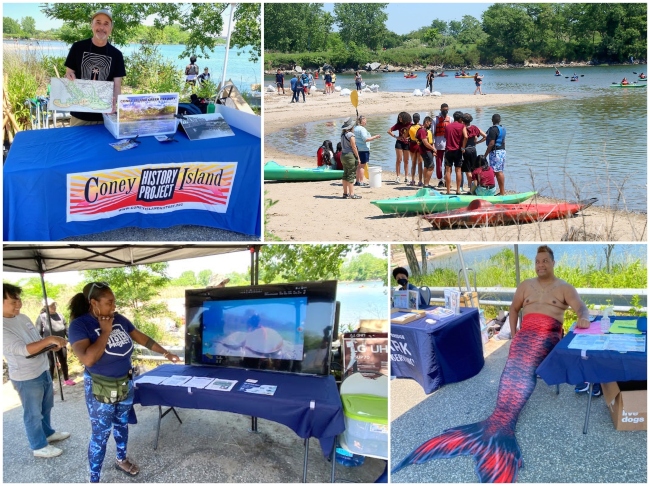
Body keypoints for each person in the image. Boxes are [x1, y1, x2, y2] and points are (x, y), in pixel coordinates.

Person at [393, 245, 591, 483]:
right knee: (515, 358)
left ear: (553, 262)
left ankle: (499, 428)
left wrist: (583, 317)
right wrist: (515, 332)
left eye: (545, 261)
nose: (541, 265)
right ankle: (498, 425)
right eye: (537, 261)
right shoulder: (525, 285)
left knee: (527, 360)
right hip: (526, 333)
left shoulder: (564, 288)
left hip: (547, 334)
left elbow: (581, 307)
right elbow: (514, 308)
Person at [68, 282, 180, 482]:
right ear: (93, 302)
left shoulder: (118, 319)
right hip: (100, 388)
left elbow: (141, 338)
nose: (113, 306)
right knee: (100, 435)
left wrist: (165, 352)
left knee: (122, 425)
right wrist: (105, 331)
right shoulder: (80, 325)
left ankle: (121, 459)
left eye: (114, 302)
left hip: (125, 383)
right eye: (109, 302)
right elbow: (88, 359)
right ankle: (94, 477)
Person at [3, 284, 71, 458]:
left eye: (19, 299)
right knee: (33, 412)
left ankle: (48, 434)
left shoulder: (22, 317)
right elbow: (24, 349)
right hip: (26, 377)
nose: (18, 303)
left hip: (41, 369)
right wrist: (50, 339)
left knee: (46, 406)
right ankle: (38, 446)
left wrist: (50, 345)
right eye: (13, 300)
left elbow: (36, 341)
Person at [64, 9, 125, 126]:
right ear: (91, 25)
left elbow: (117, 85)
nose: (101, 27)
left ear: (111, 28)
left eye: (106, 24)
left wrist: (116, 105)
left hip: (105, 115)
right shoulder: (77, 47)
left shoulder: (117, 55)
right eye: (98, 22)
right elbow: (68, 74)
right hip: (79, 114)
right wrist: (69, 76)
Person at [35, 298, 75, 386]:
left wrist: (70, 340)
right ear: (45, 307)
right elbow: (38, 333)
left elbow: (66, 329)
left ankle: (66, 379)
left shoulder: (60, 316)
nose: (53, 307)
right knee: (51, 364)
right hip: (49, 346)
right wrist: (43, 344)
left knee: (63, 361)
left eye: (54, 305)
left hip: (62, 343)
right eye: (51, 305)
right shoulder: (42, 317)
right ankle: (51, 382)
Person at [461, 112, 486, 192]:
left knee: (467, 170)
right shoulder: (474, 128)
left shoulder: (463, 128)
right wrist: (477, 142)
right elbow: (485, 136)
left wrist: (462, 148)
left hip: (465, 150)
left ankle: (470, 188)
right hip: (473, 150)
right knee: (473, 169)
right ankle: (474, 186)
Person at [353, 115, 381, 186]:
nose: (366, 122)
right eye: (365, 120)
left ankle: (357, 181)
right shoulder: (362, 129)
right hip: (363, 149)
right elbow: (365, 139)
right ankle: (361, 181)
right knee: (362, 166)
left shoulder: (354, 128)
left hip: (357, 149)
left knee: (358, 166)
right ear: (361, 121)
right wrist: (375, 137)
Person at [443, 111, 466, 194]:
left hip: (448, 150)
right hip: (458, 150)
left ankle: (448, 191)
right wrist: (463, 147)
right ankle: (458, 190)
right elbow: (466, 136)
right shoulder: (462, 126)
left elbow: (445, 137)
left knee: (448, 170)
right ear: (460, 119)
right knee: (458, 170)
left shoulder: (448, 127)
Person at [484, 113, 507, 195]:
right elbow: (503, 141)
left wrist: (485, 155)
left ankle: (501, 192)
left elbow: (491, 143)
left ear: (492, 120)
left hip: (496, 152)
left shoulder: (493, 130)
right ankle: (501, 190)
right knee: (499, 171)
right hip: (502, 151)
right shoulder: (503, 128)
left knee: (496, 172)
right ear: (500, 120)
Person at [387, 112, 412, 184]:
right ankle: (398, 176)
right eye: (399, 118)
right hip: (399, 143)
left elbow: (415, 132)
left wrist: (409, 138)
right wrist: (396, 137)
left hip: (407, 143)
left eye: (401, 117)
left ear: (405, 117)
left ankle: (406, 177)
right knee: (399, 159)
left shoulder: (410, 124)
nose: (399, 119)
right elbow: (389, 131)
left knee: (406, 160)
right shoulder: (398, 125)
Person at [340, 118, 362, 199]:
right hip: (350, 156)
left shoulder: (342, 135)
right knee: (351, 174)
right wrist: (358, 157)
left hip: (343, 155)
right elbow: (354, 147)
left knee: (345, 174)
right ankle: (352, 193)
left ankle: (345, 193)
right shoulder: (351, 135)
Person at [432, 104, 451, 187]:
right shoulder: (435, 120)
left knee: (448, 164)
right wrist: (433, 145)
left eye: (446, 109)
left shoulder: (451, 119)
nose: (445, 111)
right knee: (439, 163)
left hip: (448, 145)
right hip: (438, 145)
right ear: (440, 109)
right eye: (443, 109)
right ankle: (440, 180)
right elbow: (432, 133)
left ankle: (447, 179)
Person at [416, 116, 437, 188]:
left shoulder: (423, 130)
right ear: (426, 122)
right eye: (430, 123)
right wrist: (433, 149)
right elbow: (425, 143)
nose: (430, 125)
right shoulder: (422, 130)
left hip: (424, 151)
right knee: (431, 167)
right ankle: (426, 184)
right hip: (426, 151)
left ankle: (425, 183)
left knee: (426, 166)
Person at [408, 113, 423, 186]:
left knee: (413, 163)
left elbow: (405, 136)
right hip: (419, 145)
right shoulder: (421, 127)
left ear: (413, 119)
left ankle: (413, 180)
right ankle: (420, 181)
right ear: (419, 119)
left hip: (412, 145)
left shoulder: (410, 127)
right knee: (420, 164)